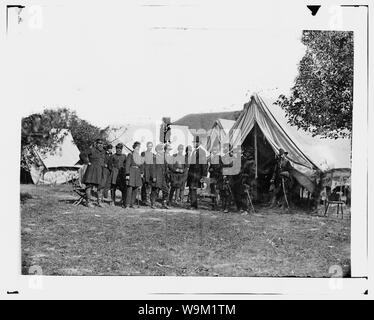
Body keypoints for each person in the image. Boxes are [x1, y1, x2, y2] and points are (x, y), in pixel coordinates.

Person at [80, 138, 107, 208]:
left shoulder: (104, 151)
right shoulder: (92, 149)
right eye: (99, 143)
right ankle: (88, 202)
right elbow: (82, 154)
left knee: (100, 186)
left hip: (100, 171)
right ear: (96, 144)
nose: (100, 145)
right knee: (89, 186)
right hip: (92, 170)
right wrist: (87, 162)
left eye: (102, 143)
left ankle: (99, 202)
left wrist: (104, 164)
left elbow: (105, 160)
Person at [187, 137, 208, 209]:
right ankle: (193, 204)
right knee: (191, 189)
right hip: (192, 175)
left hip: (197, 175)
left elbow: (204, 165)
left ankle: (193, 205)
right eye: (193, 142)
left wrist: (204, 177)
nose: (193, 144)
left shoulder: (202, 152)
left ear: (199, 143)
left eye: (195, 142)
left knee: (193, 189)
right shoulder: (194, 151)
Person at [125, 141, 144, 208]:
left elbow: (141, 165)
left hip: (137, 173)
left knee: (135, 189)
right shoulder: (130, 155)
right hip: (131, 172)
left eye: (139, 147)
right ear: (134, 147)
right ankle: (127, 204)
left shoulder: (139, 156)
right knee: (130, 188)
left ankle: (132, 204)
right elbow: (127, 165)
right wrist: (127, 174)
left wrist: (141, 173)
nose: (138, 148)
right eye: (137, 147)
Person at [150, 144, 169, 209]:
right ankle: (153, 203)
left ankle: (164, 203)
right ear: (157, 150)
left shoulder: (163, 158)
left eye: (162, 150)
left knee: (166, 190)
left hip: (162, 177)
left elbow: (166, 166)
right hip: (157, 177)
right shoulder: (154, 158)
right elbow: (152, 168)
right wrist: (154, 177)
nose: (162, 151)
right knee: (155, 191)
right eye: (161, 150)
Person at [208, 146, 223, 210]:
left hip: (217, 177)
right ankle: (213, 204)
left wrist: (213, 170)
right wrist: (210, 169)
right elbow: (210, 168)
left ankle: (217, 205)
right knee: (212, 191)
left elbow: (220, 168)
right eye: (213, 150)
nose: (213, 152)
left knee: (216, 191)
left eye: (215, 150)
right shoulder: (213, 158)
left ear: (217, 151)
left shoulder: (219, 158)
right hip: (212, 176)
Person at [141, 141, 155, 206]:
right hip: (145, 171)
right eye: (149, 146)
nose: (150, 147)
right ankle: (143, 199)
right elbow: (142, 163)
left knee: (149, 186)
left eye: (151, 146)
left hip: (150, 172)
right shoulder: (143, 153)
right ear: (147, 146)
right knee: (144, 186)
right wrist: (142, 172)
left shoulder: (153, 155)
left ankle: (148, 199)